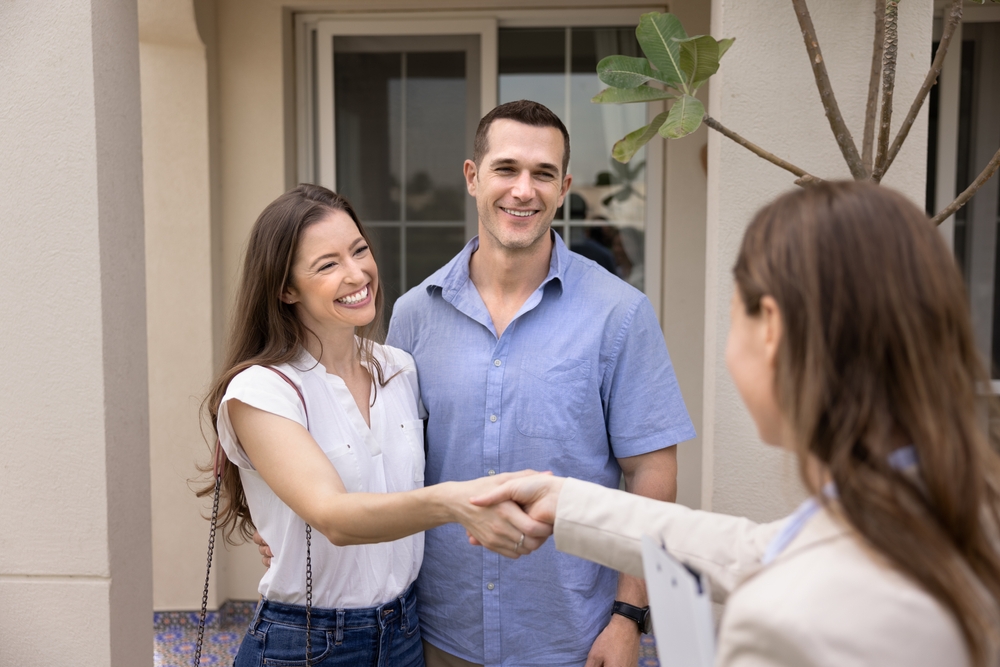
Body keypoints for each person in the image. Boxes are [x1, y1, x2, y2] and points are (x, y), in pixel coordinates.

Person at [473, 181, 1000, 667]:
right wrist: (568, 502)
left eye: (733, 314)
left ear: (769, 327)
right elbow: (758, 549)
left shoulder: (781, 624)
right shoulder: (962, 507)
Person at [386, 100, 696, 667]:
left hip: (572, 638)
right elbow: (390, 462)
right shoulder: (413, 316)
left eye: (543, 174)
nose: (523, 190)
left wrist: (629, 618)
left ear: (563, 186)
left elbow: (652, 471)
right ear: (473, 177)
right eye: (506, 169)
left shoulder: (618, 314)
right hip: (438, 633)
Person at [199, 184, 550, 667]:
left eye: (359, 250)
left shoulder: (399, 369)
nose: (357, 273)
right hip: (307, 642)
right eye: (327, 265)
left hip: (404, 631)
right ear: (285, 288)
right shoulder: (262, 391)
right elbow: (334, 517)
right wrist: (458, 503)